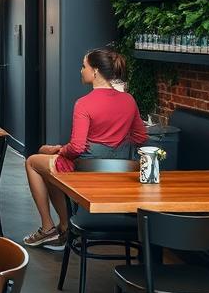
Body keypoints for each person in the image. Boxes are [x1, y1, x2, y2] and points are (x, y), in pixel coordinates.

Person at [22, 48, 149, 248]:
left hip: (87, 172)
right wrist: (115, 142)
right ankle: (64, 227)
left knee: (33, 162)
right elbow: (141, 136)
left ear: (96, 71)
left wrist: (57, 149)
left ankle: (48, 228)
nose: (81, 71)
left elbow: (77, 148)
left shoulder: (84, 104)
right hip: (119, 173)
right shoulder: (129, 100)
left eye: (84, 66)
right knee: (50, 167)